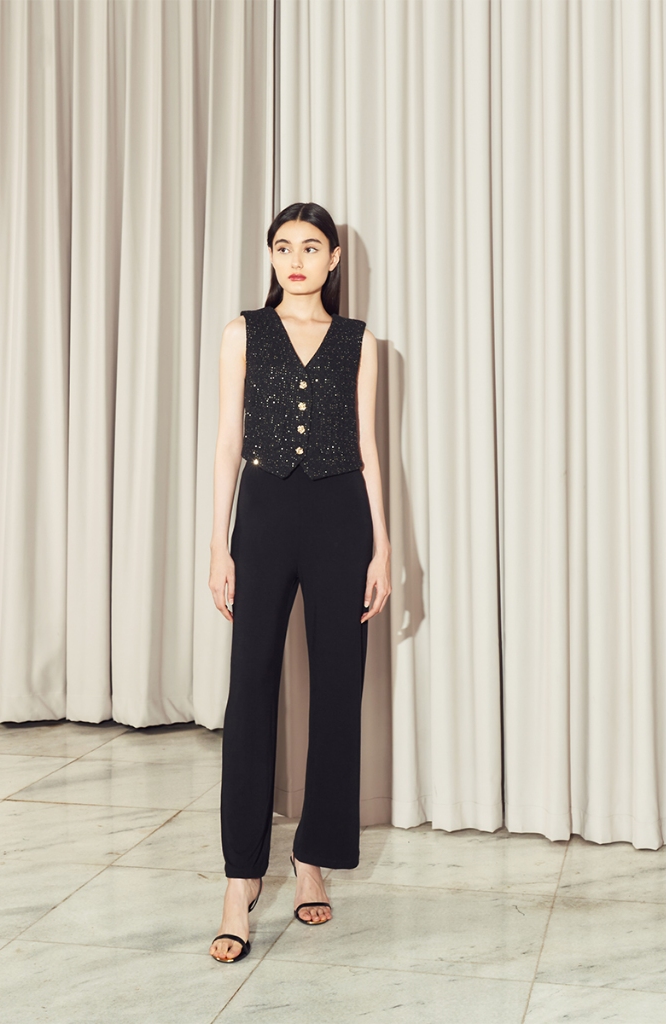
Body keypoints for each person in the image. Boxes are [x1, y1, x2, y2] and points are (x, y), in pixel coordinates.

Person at [207, 202, 392, 963]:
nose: (296, 260)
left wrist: (384, 547)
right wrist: (218, 544)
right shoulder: (243, 333)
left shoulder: (359, 341)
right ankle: (240, 879)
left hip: (341, 517)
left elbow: (370, 447)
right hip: (264, 514)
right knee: (250, 687)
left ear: (334, 258)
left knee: (338, 687)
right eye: (283, 247)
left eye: (311, 248)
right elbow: (228, 442)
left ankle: (312, 857)